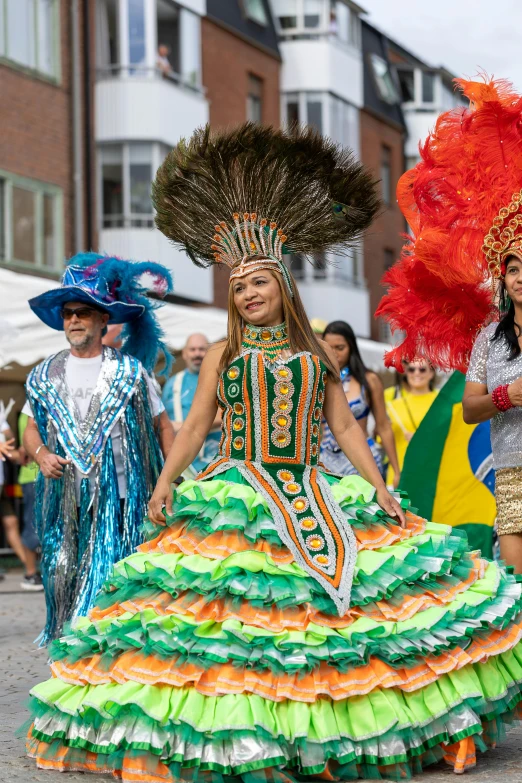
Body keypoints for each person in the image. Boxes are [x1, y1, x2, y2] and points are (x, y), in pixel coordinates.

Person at [27, 123, 522, 779]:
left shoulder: (312, 356)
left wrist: (377, 484)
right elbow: (199, 423)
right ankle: (237, 736)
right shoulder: (225, 356)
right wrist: (165, 482)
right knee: (234, 623)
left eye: (259, 282)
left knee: (331, 623)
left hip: (313, 488)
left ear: (283, 287)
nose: (249, 293)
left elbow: (345, 431)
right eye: (239, 286)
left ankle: (332, 729)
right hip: (238, 491)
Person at [376, 75, 522, 578]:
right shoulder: (489, 338)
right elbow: (468, 410)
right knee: (517, 582)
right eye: (514, 267)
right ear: (502, 276)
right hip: (513, 471)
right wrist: (511, 395)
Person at [22, 253, 175, 642]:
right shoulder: (44, 374)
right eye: (68, 312)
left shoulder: (130, 372)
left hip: (123, 505)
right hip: (66, 507)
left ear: (104, 318)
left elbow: (163, 426)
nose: (73, 319)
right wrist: (40, 455)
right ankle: (75, 666)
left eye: (83, 312)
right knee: (64, 584)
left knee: (117, 591)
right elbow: (30, 429)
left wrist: (170, 480)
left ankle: (112, 667)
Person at [320, 320, 401, 486]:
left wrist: (397, 470)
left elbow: (383, 426)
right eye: (329, 348)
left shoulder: (369, 381)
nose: (334, 353)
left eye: (340, 348)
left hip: (362, 461)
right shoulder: (317, 379)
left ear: (351, 347)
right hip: (325, 462)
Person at [162, 332, 221, 478]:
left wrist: (184, 427)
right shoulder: (172, 383)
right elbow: (163, 421)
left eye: (202, 349)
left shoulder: (221, 379)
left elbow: (225, 415)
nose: (197, 354)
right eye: (192, 349)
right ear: (184, 353)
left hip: (213, 462)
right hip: (182, 464)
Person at [385, 359, 438, 486]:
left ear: (431, 373)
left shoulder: (441, 402)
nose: (416, 373)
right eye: (411, 369)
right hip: (399, 473)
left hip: (434, 473)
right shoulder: (392, 406)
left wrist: (421, 439)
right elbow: (383, 441)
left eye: (422, 369)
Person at [18, 411, 43, 590]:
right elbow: (23, 447)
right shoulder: (31, 414)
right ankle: (30, 572)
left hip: (40, 476)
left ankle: (34, 572)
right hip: (33, 477)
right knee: (32, 525)